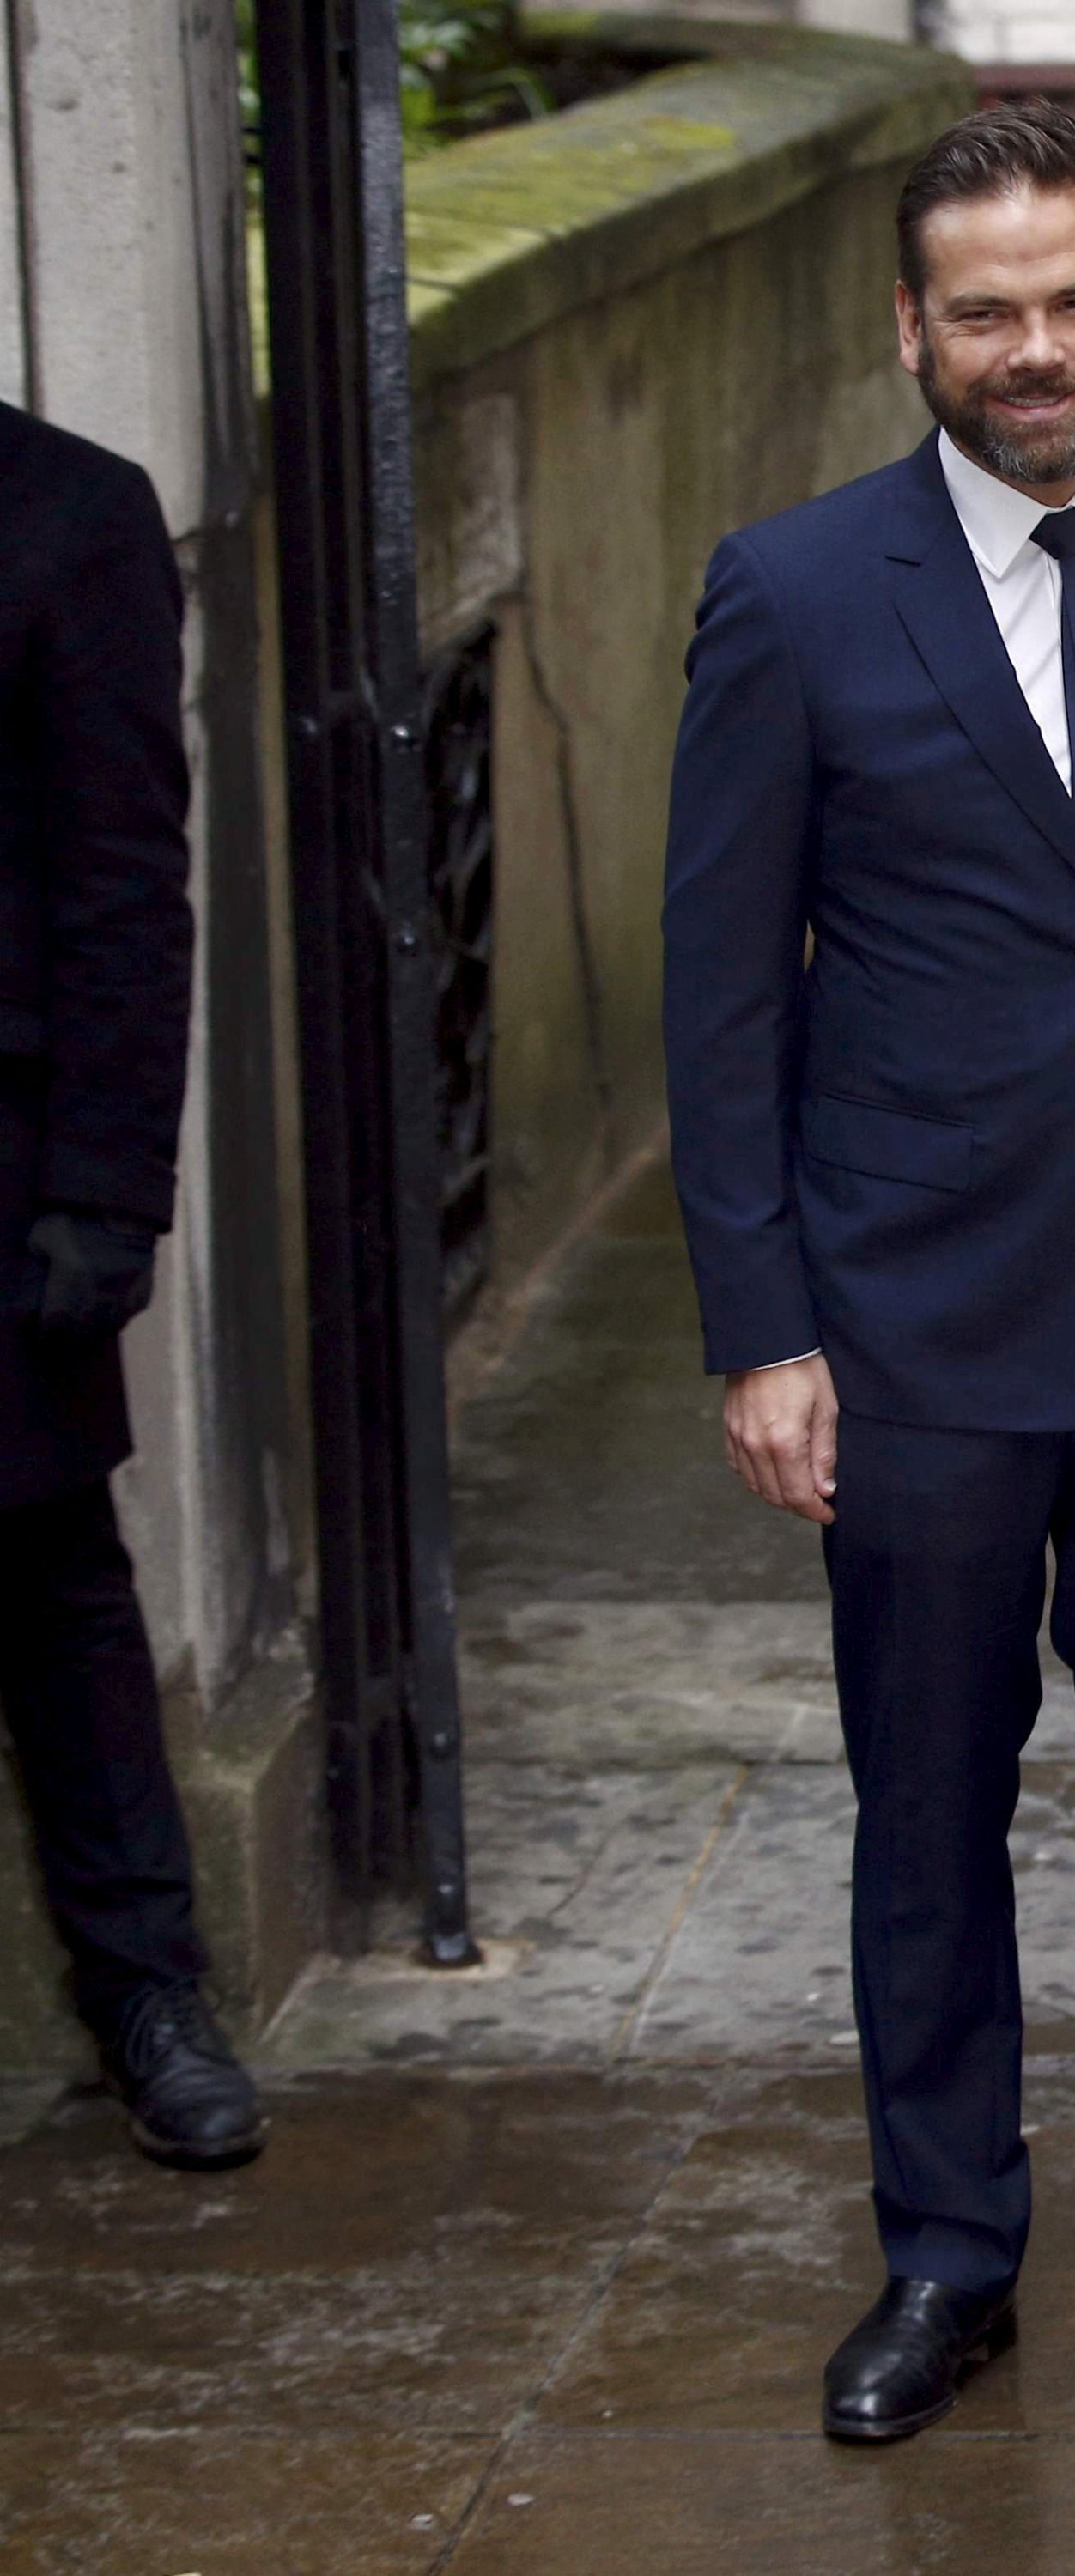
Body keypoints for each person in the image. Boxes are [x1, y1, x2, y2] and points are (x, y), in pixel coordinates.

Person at [662, 103, 1075, 2445]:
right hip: (917, 1315)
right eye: (985, 313)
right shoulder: (798, 588)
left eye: (1070, 301)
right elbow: (723, 992)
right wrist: (760, 1326)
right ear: (917, 331)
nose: (1034, 351)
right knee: (926, 1807)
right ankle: (945, 2251)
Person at [0, 401, 266, 2175]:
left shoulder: (70, 516)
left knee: (52, 1587)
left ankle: (147, 1991)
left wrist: (104, 1195)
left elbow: (123, 886)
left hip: (7, 1180)